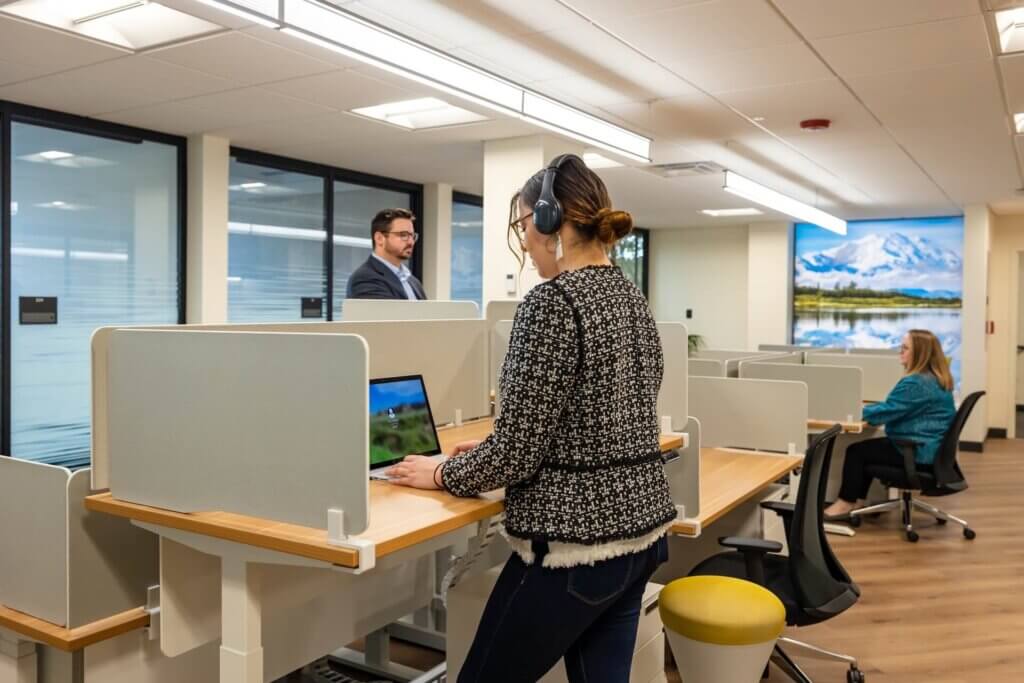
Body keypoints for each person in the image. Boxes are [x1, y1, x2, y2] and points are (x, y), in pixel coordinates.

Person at [387, 154, 675, 682]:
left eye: (523, 225)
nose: (524, 240)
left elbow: (518, 454)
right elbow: (599, 422)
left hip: (573, 548)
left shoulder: (553, 303)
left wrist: (442, 473)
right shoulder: (633, 299)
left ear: (549, 224)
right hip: (640, 537)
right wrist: (495, 451)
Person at [824, 329, 956, 519]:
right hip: (930, 449)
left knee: (856, 452)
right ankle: (857, 502)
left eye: (905, 348)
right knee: (865, 449)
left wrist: (850, 409)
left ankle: (846, 503)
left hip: (917, 452)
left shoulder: (916, 383)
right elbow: (895, 407)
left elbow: (884, 414)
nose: (900, 352)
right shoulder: (933, 378)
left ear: (920, 353)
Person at [346, 208, 427, 300]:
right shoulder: (365, 279)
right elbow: (387, 314)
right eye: (403, 235)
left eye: (412, 236)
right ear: (379, 238)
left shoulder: (412, 281)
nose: (411, 242)